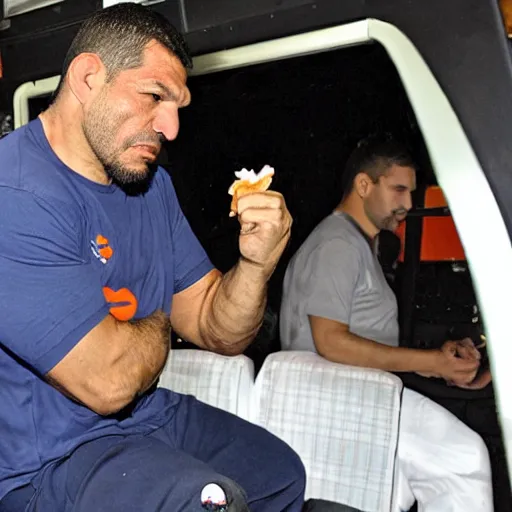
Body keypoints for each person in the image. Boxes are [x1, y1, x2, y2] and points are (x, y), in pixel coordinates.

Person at [0, 4, 306, 511]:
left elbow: (217, 328)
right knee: (204, 502)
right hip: (46, 462)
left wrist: (256, 265)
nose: (171, 127)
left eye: (178, 105)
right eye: (154, 97)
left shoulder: (150, 188)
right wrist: (161, 325)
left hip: (145, 418)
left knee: (278, 474)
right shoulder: (15, 190)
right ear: (88, 77)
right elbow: (109, 380)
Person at [280, 137, 494, 512]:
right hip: (344, 403)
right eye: (398, 189)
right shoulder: (337, 244)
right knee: (464, 459)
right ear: (364, 185)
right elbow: (331, 341)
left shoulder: (358, 243)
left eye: (411, 193)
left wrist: (441, 362)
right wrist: (431, 363)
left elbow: (367, 334)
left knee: (394, 494)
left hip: (361, 397)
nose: (408, 204)